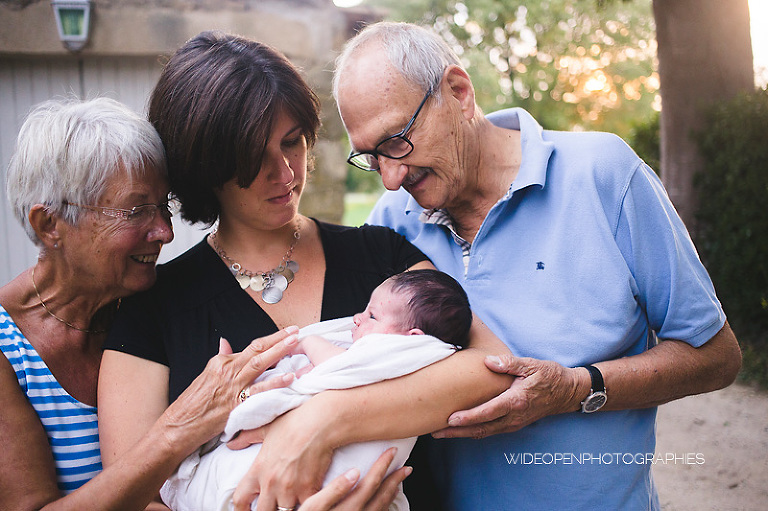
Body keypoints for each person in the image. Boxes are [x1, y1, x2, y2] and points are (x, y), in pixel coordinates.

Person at [332, 21, 743, 510]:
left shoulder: (604, 174)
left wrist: (576, 388)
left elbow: (716, 356)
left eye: (398, 140)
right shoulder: (390, 225)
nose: (392, 179)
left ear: (458, 93)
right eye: (371, 158)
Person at [97, 31, 511, 511]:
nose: (287, 173)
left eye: (292, 142)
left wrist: (319, 421)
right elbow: (129, 496)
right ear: (204, 166)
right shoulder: (153, 309)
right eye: (254, 157)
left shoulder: (381, 256)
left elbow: (490, 370)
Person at [0, 97, 302, 510]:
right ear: (50, 223)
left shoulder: (150, 307)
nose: (164, 232)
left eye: (164, 206)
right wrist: (180, 428)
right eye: (137, 210)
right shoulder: (8, 347)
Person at [161, 269, 472, 511]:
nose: (357, 318)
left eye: (372, 316)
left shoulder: (399, 354)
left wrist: (305, 343)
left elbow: (342, 368)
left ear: (412, 337)